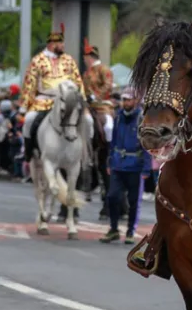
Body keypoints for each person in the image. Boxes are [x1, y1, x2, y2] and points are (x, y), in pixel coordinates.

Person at [18, 27, 92, 163]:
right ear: (51, 44)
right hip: (44, 99)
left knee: (88, 121)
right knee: (28, 120)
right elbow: (30, 83)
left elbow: (78, 82)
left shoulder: (69, 60)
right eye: (60, 43)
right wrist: (24, 106)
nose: (63, 46)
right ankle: (28, 152)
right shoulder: (37, 60)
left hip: (67, 100)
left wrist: (83, 103)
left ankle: (87, 153)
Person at [100, 89, 151, 244]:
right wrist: (110, 161)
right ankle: (114, 229)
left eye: (129, 100)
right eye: (124, 100)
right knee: (112, 196)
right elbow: (113, 141)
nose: (126, 103)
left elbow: (146, 144)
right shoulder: (118, 118)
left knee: (134, 201)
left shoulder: (142, 119)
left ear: (135, 101)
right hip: (118, 165)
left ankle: (130, 231)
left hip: (135, 166)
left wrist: (146, 168)